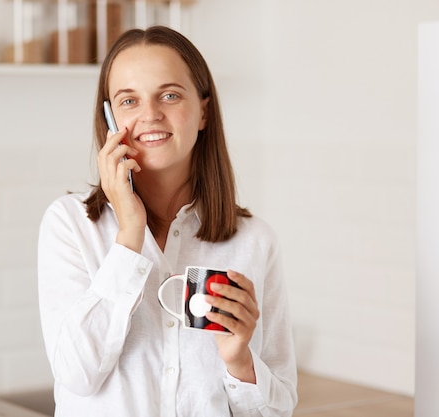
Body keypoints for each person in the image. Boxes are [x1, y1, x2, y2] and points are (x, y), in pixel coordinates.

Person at [38, 25, 297, 417]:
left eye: (170, 95)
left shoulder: (255, 241)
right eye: (128, 101)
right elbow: (77, 374)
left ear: (204, 110)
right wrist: (129, 235)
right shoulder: (70, 225)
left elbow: (278, 411)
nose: (150, 115)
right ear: (109, 118)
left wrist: (239, 361)